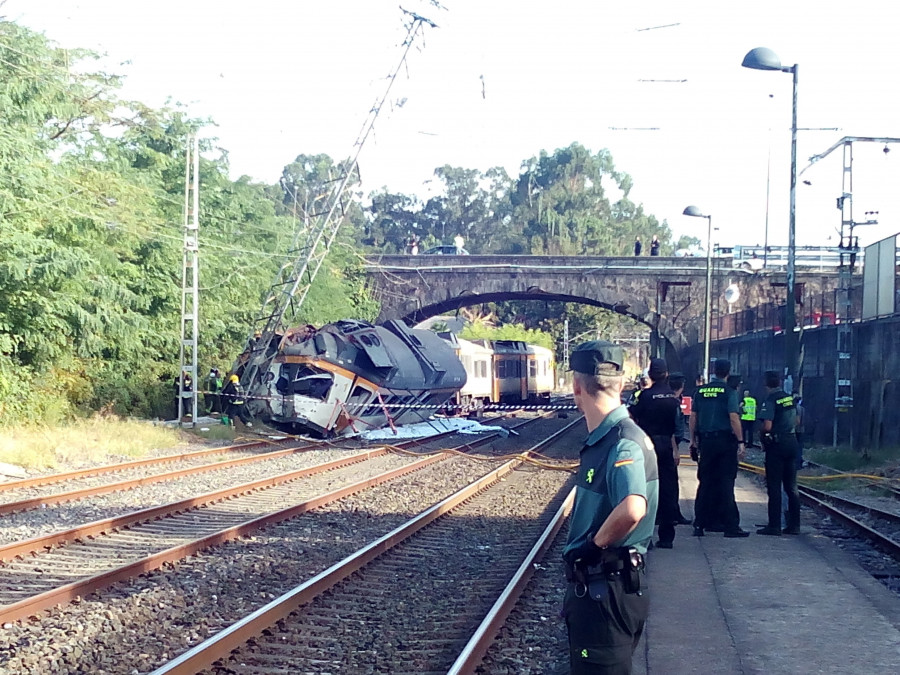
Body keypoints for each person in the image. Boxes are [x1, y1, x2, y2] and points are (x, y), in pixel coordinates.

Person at [562, 340, 658, 674]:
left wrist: (591, 546)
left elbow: (633, 508)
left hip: (605, 587)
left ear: (577, 386)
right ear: (620, 384)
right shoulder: (612, 438)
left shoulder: (621, 443)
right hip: (610, 586)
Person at [689, 358, 750, 538]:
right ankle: (731, 526)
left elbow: (693, 417)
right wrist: (740, 442)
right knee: (726, 482)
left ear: (714, 370)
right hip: (725, 442)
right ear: (728, 372)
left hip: (706, 442)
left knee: (705, 482)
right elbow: (733, 417)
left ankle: (699, 524)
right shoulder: (729, 392)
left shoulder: (700, 391)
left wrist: (693, 440)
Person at [630, 358, 681, 549]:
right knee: (668, 489)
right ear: (666, 374)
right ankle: (667, 537)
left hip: (646, 445)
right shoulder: (672, 398)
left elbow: (631, 417)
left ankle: (644, 536)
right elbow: (677, 427)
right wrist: (675, 448)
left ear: (650, 375)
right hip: (666, 444)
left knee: (645, 489)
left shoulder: (644, 396)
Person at [757, 371, 801, 535]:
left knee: (774, 485)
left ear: (766, 383)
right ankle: (794, 525)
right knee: (791, 486)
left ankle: (774, 525)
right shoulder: (788, 398)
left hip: (777, 445)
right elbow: (797, 421)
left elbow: (767, 426)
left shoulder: (770, 400)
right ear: (780, 382)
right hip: (792, 441)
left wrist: (761, 435)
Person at [667, 371, 693, 526]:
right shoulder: (673, 403)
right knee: (671, 482)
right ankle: (673, 514)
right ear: (682, 386)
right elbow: (670, 427)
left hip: (666, 443)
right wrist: (675, 449)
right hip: (671, 443)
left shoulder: (670, 400)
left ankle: (671, 512)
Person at [794, 395, 806, 469]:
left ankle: (796, 464)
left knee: (795, 448)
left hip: (796, 430)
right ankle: (799, 463)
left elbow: (797, 420)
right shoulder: (803, 408)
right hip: (801, 430)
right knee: (800, 447)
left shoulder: (795, 408)